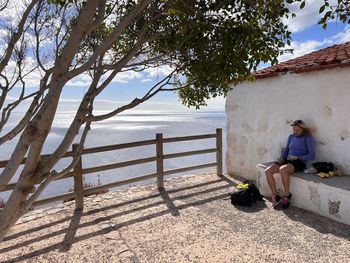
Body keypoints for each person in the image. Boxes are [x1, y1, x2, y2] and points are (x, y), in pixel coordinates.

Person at [265, 120, 315, 209]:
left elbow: (312, 155)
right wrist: (281, 157)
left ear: (303, 129)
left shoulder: (308, 138)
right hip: (287, 160)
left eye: (297, 131)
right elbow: (286, 151)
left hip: (299, 162)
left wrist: (298, 157)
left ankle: (287, 196)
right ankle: (275, 196)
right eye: (294, 130)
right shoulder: (291, 137)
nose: (295, 132)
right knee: (268, 171)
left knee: (283, 169)